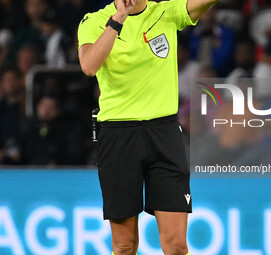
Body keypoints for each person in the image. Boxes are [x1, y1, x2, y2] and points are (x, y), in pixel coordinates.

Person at [77, 0, 219, 254]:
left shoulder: (166, 11)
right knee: (124, 245)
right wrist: (118, 20)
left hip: (163, 133)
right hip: (118, 134)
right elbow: (89, 66)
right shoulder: (94, 21)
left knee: (176, 245)